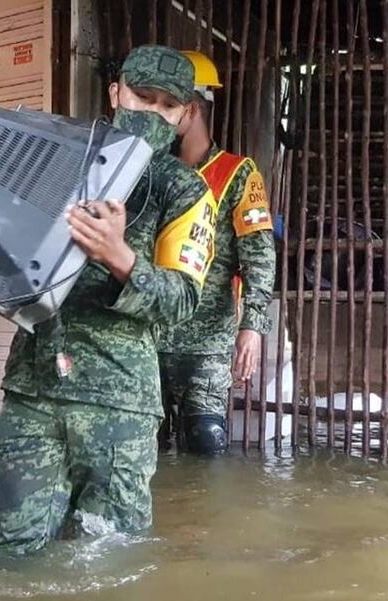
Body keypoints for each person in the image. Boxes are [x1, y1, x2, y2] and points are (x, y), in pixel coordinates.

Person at [0, 45, 218, 552]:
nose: (152, 113)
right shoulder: (60, 159)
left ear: (184, 115)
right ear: (116, 94)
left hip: (119, 403)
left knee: (109, 560)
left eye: (167, 106)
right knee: (8, 549)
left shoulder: (184, 191)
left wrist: (119, 256)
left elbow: (182, 301)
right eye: (142, 97)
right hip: (33, 389)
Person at [157, 50, 277, 455]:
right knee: (144, 447)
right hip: (150, 335)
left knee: (205, 441)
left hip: (208, 340)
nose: (157, 115)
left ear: (192, 109)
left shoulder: (238, 173)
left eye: (167, 105)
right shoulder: (150, 171)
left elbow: (259, 256)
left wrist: (253, 327)